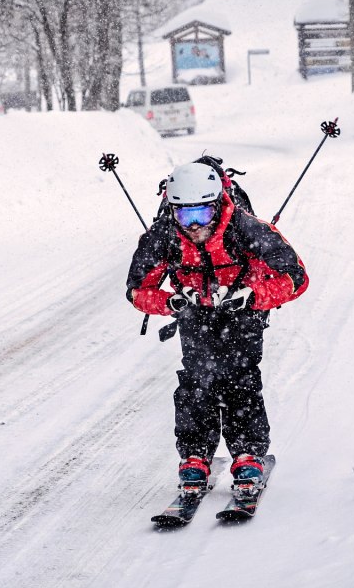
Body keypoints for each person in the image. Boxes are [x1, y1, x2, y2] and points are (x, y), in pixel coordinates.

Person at [126, 159, 309, 486]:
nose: (193, 225)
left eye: (202, 214)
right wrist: (170, 301)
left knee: (240, 378)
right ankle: (195, 455)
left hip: (243, 310)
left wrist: (253, 295)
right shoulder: (165, 236)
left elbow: (296, 278)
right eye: (184, 214)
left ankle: (248, 454)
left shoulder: (247, 229)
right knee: (196, 380)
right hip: (195, 312)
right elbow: (137, 290)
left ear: (218, 204)